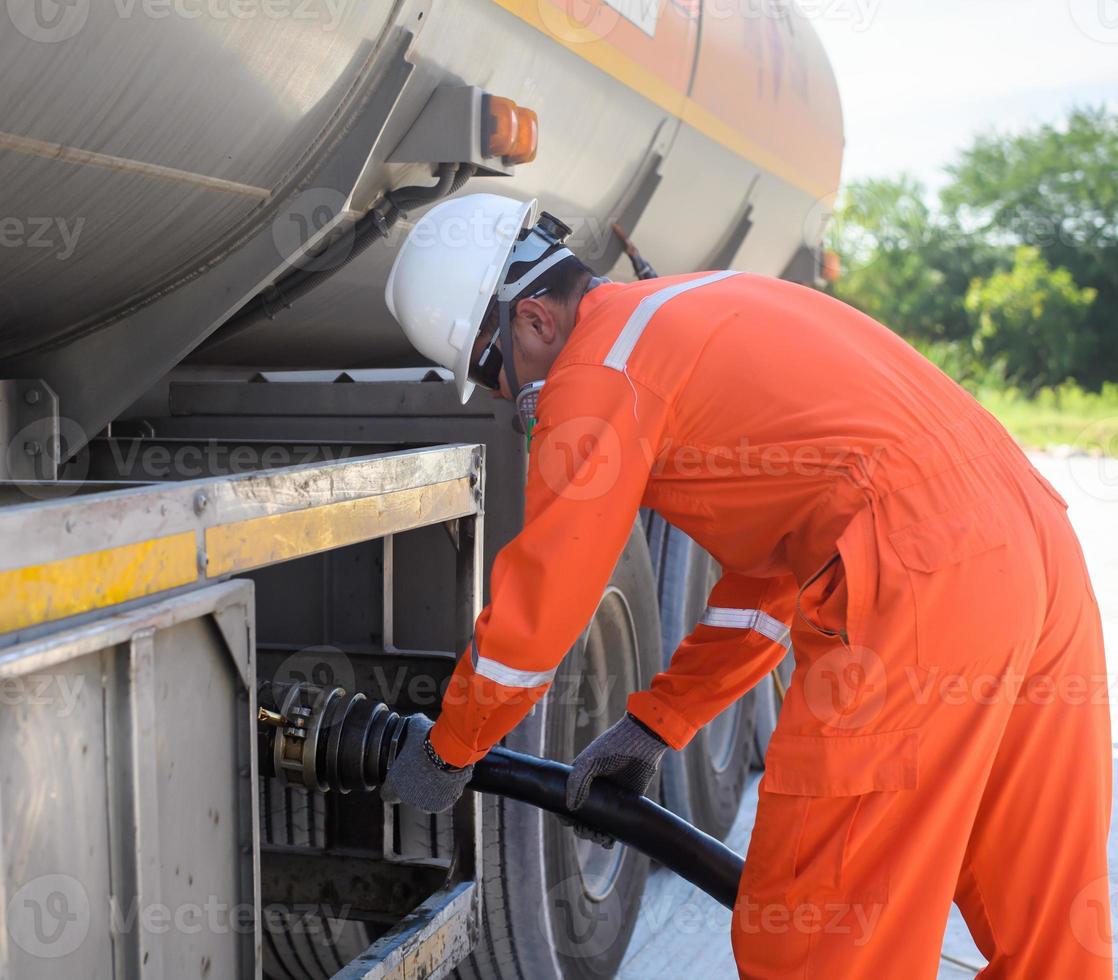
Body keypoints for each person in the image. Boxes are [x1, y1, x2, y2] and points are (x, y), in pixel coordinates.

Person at [378, 193, 1112, 978]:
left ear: (533, 321)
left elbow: (542, 609)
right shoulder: (695, 306)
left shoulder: (597, 373)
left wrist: (452, 748)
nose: (505, 398)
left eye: (492, 374)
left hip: (920, 581)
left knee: (818, 935)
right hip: (1035, 551)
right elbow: (769, 586)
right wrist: (659, 722)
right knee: (1045, 914)